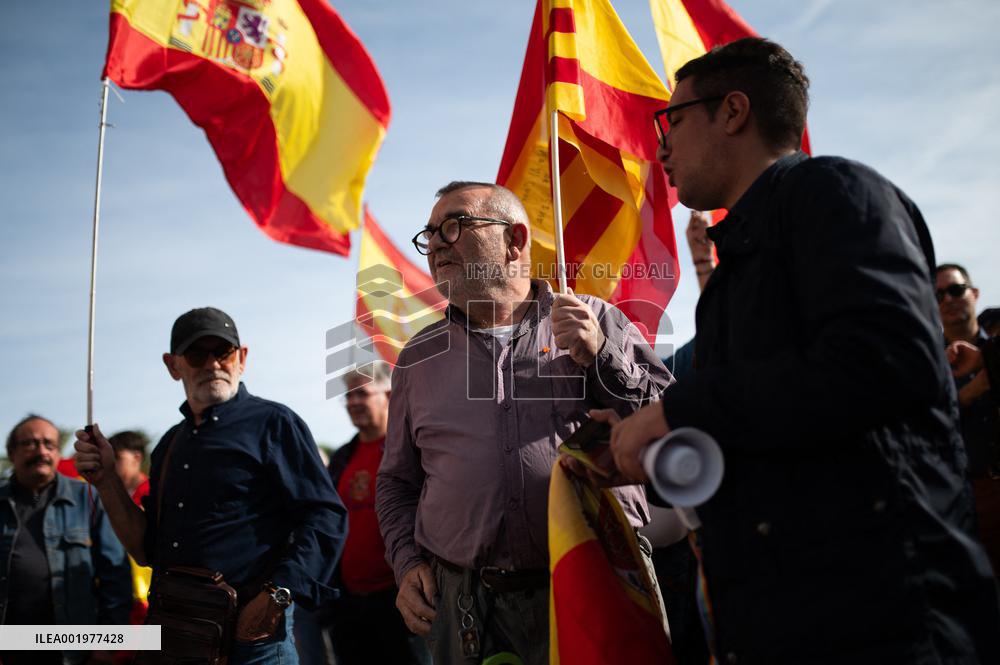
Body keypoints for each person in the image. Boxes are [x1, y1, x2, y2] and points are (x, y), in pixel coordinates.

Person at [604, 37, 1000, 663]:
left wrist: (684, 409)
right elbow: (770, 423)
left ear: (733, 112)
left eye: (672, 119)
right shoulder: (737, 264)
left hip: (882, 620)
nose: (661, 146)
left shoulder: (835, 194)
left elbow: (885, 364)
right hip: (785, 619)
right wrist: (653, 448)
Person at [376, 181, 672, 665]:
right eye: (428, 234)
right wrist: (406, 564)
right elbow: (395, 483)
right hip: (469, 610)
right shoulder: (417, 359)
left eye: (454, 226)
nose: (434, 245)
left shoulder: (597, 321)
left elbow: (668, 433)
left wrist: (601, 356)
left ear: (515, 240)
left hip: (598, 587)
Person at [74, 307, 347, 664]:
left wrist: (277, 597)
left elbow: (325, 517)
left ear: (242, 358)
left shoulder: (274, 423)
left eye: (223, 352)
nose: (212, 363)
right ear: (174, 366)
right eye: (197, 354)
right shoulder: (169, 444)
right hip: (177, 637)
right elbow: (146, 550)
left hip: (253, 644)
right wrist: (107, 481)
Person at [1, 414, 131, 665]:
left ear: (59, 453)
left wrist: (105, 647)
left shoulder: (89, 499)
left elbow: (116, 577)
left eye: (49, 444)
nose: (41, 451)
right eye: (30, 443)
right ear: (11, 452)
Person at [324, 362, 430, 665]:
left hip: (401, 599)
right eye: (349, 396)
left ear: (389, 395)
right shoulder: (343, 457)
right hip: (349, 604)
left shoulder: (414, 450)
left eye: (362, 394)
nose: (353, 402)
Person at [936, 263, 1000, 575]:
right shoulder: (927, 366)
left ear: (974, 293)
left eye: (956, 290)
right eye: (938, 295)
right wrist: (971, 391)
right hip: (969, 503)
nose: (948, 299)